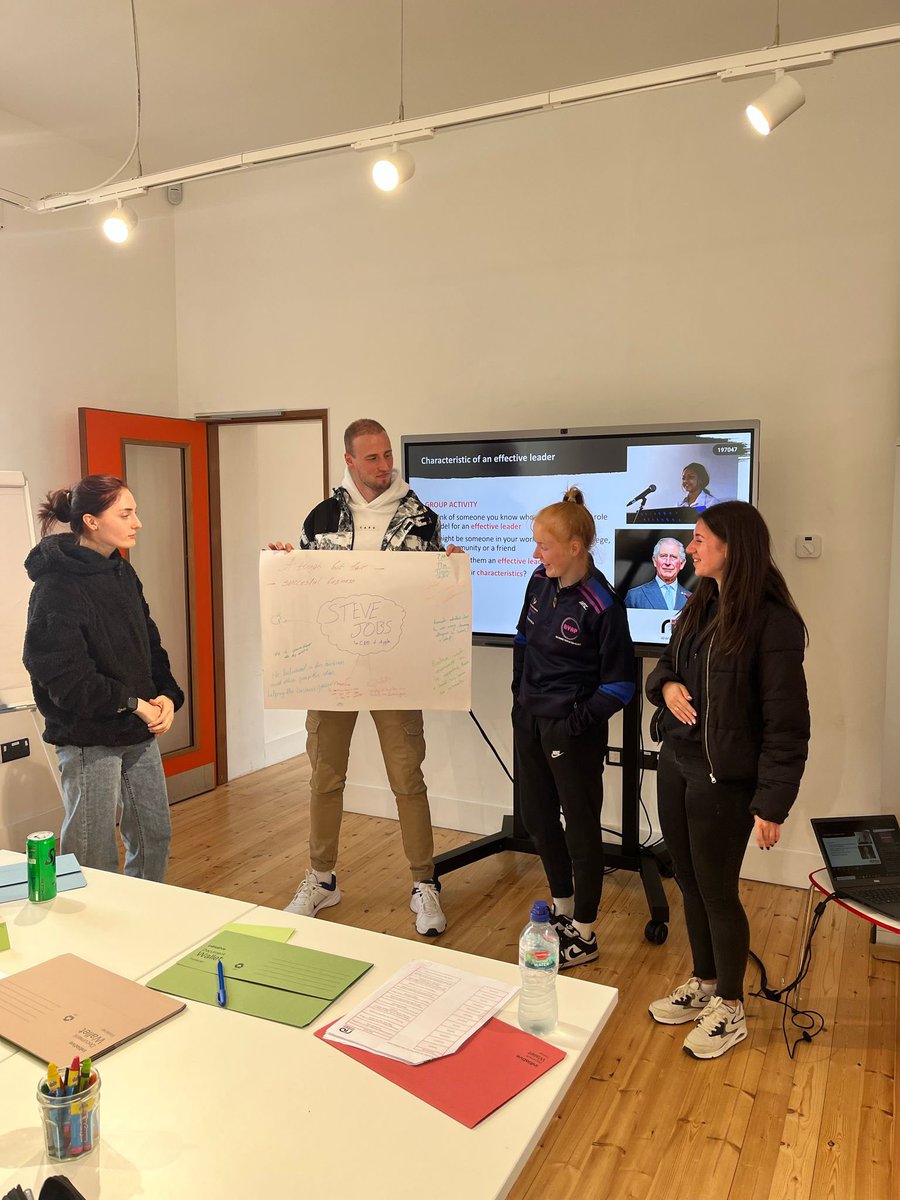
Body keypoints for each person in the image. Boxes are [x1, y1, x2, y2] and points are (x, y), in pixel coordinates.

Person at [276, 418, 461, 937]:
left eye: (387, 456)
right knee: (325, 776)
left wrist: (449, 572)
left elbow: (429, 598)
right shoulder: (321, 517)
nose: (385, 466)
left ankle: (424, 883)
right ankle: (320, 878)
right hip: (331, 669)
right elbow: (305, 591)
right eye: (373, 458)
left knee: (407, 777)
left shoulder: (421, 518)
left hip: (395, 671)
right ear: (350, 461)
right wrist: (285, 567)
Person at [645, 501, 809, 1059]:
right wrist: (666, 689)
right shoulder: (700, 604)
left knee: (717, 892)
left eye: (698, 539)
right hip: (677, 763)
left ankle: (731, 1009)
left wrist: (772, 805)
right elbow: (666, 666)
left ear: (732, 547)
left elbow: (787, 725)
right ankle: (706, 982)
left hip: (724, 780)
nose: (690, 548)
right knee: (688, 883)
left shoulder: (772, 622)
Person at [23, 475, 183, 880]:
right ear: (92, 521)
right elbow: (62, 673)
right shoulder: (55, 585)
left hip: (137, 730)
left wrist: (165, 695)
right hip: (88, 738)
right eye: (126, 513)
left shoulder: (120, 572)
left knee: (154, 837)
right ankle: (90, 938)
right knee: (92, 854)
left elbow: (148, 641)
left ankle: (143, 923)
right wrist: (134, 704)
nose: (137, 522)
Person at [512, 487, 635, 967]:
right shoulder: (538, 582)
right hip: (529, 719)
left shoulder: (603, 603)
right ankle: (561, 910)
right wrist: (519, 699)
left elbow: (621, 686)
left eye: (544, 545)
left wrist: (573, 725)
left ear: (575, 547)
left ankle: (583, 931)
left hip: (572, 733)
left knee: (580, 829)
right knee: (539, 819)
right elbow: (523, 638)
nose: (536, 553)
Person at [625, 537, 692, 610]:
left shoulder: (692, 599)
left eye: (673, 557)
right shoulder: (635, 597)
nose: (668, 562)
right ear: (654, 561)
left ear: (682, 564)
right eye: (663, 556)